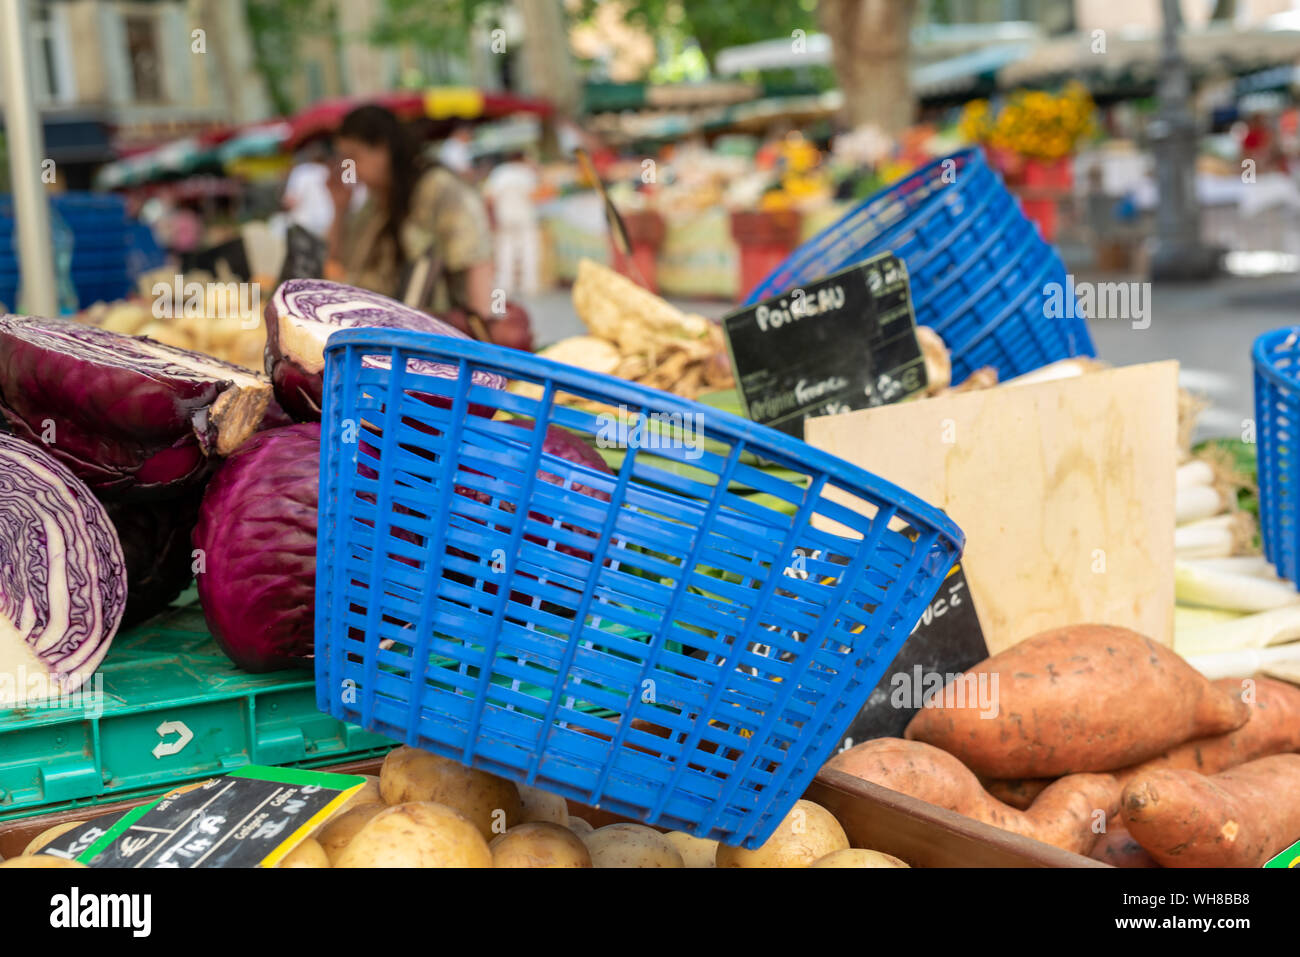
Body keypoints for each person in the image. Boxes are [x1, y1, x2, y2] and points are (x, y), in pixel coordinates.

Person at [326, 105, 494, 321]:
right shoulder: (374, 202)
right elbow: (338, 263)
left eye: (353, 157)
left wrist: (480, 334)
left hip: (434, 335)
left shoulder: (436, 188)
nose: (348, 169)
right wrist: (339, 209)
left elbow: (476, 263)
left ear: (383, 149)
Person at [483, 151, 541, 296]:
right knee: (528, 250)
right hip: (525, 216)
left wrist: (491, 218)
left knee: (505, 250)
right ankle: (530, 285)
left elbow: (489, 197)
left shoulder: (499, 172)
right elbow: (537, 194)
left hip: (504, 216)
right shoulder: (527, 172)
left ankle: (504, 285)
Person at [281, 142, 336, 239]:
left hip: (305, 226)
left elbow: (290, 201)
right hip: (328, 224)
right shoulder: (333, 172)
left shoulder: (301, 171)